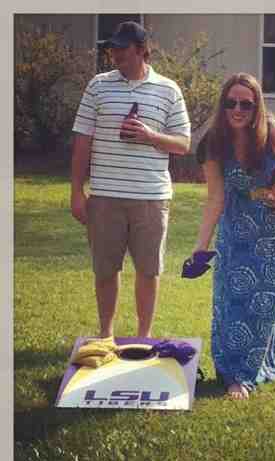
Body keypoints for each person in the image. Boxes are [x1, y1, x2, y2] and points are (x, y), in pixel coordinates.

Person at [70, 21, 191, 339]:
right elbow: (82, 140)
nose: (115, 55)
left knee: (148, 271)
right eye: (113, 49)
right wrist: (77, 192)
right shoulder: (98, 86)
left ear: (141, 50)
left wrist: (151, 136)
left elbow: (183, 143)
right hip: (105, 196)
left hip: (151, 197)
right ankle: (106, 335)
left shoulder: (168, 89)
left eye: (122, 49)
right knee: (105, 269)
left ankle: (143, 336)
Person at [191, 73, 275, 400]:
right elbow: (215, 198)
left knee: (262, 302)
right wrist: (200, 249)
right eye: (231, 103)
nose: (238, 110)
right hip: (237, 224)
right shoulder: (213, 143)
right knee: (230, 298)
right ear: (223, 105)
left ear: (257, 107)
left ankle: (245, 375)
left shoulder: (274, 133)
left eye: (246, 104)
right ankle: (228, 370)